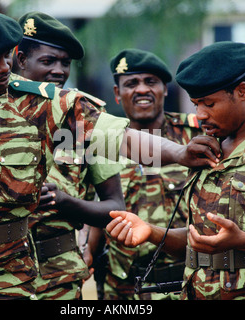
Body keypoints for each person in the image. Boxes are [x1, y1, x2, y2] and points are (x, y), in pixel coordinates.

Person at [0, 6, 220, 300]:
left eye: (7, 58)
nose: (5, 68)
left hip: (10, 277)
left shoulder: (45, 102)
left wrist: (179, 153)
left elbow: (120, 137)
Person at [106, 41, 245, 300]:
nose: (199, 114)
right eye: (195, 104)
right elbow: (201, 244)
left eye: (209, 104)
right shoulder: (205, 150)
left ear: (243, 91)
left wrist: (244, 240)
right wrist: (151, 232)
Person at [14, 11, 125, 300]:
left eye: (65, 63)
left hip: (58, 280)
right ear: (21, 59)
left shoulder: (84, 122)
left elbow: (115, 207)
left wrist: (67, 203)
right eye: (48, 61)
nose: (59, 71)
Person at [87, 49, 203, 300]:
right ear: (117, 94)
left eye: (150, 81)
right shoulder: (103, 141)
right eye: (131, 83)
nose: (141, 90)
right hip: (123, 287)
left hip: (186, 280)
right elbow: (94, 207)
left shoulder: (197, 135)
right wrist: (87, 250)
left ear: (165, 89)